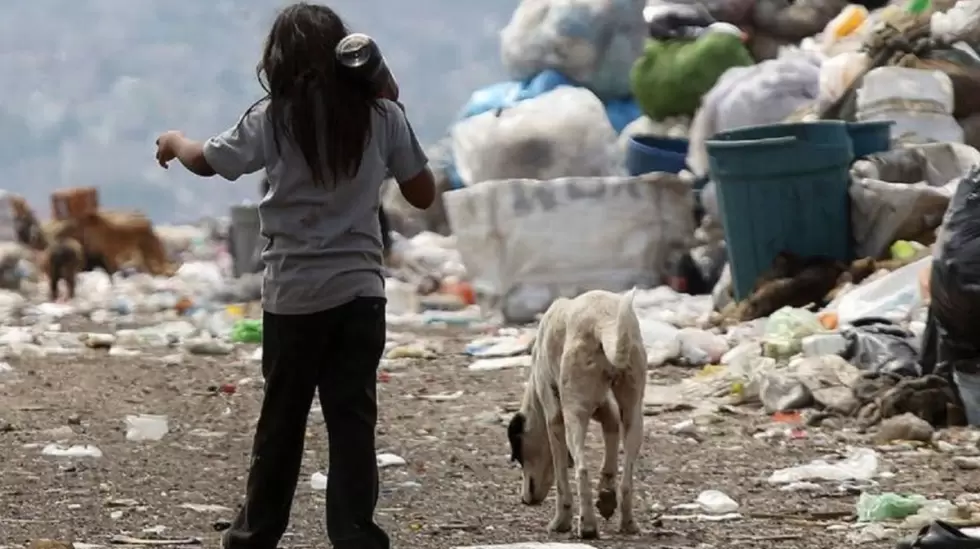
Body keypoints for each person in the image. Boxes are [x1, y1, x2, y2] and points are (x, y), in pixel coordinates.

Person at [153, 3, 435, 548]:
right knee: (352, 424)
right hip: (360, 297)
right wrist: (389, 98)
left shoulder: (274, 117)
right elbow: (422, 194)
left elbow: (209, 160)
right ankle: (355, 536)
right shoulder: (382, 118)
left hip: (294, 297)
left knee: (281, 424)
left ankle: (255, 536)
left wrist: (173, 139)